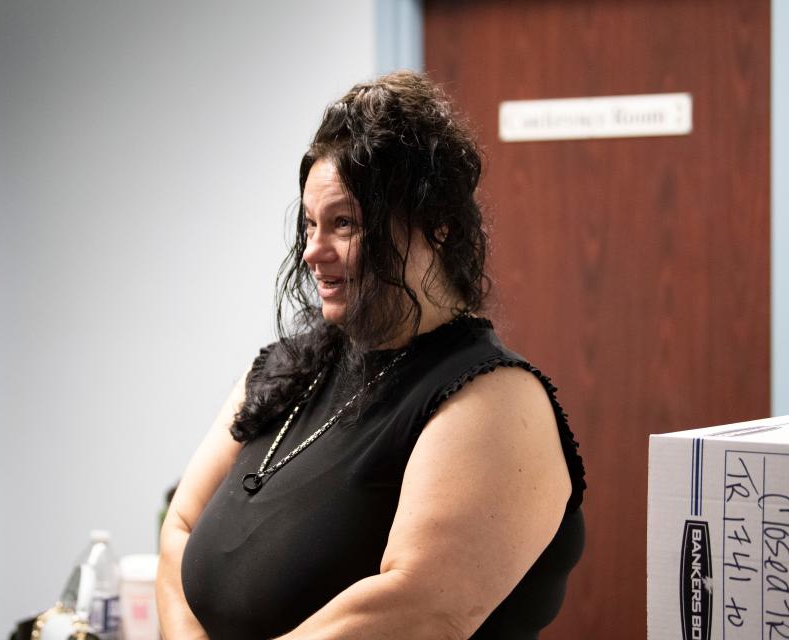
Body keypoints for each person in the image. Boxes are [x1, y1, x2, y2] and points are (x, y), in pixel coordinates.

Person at [156, 70, 586, 640]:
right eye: (309, 223)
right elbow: (178, 530)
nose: (313, 251)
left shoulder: (492, 400)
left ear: (437, 226)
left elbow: (420, 608)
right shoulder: (286, 369)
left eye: (344, 224)